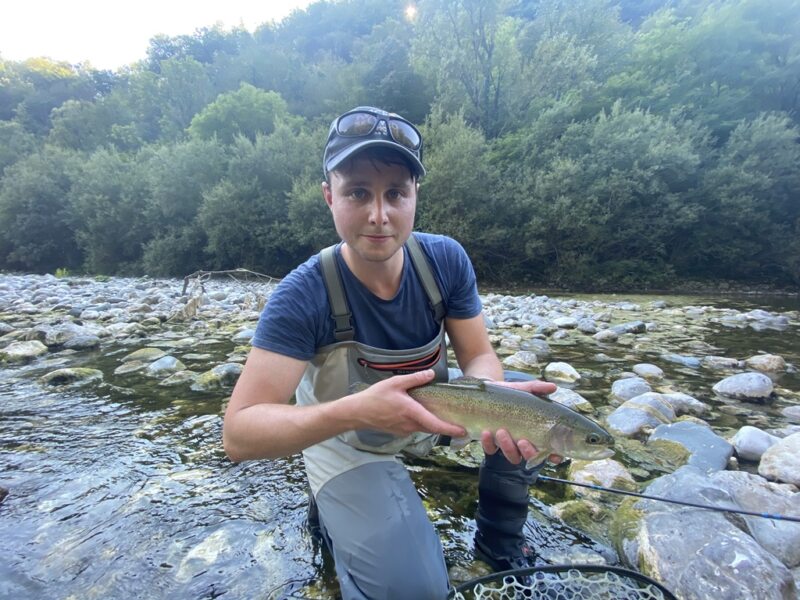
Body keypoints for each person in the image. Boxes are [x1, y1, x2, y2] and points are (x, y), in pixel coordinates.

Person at [223, 106, 561, 599]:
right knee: (416, 591)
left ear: (415, 196)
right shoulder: (302, 294)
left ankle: (499, 539)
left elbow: (479, 358)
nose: (379, 215)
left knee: (536, 407)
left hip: (433, 415)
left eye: (395, 193)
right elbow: (239, 432)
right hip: (346, 434)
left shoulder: (445, 259)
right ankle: (331, 502)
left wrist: (496, 397)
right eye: (357, 192)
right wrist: (355, 411)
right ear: (329, 198)